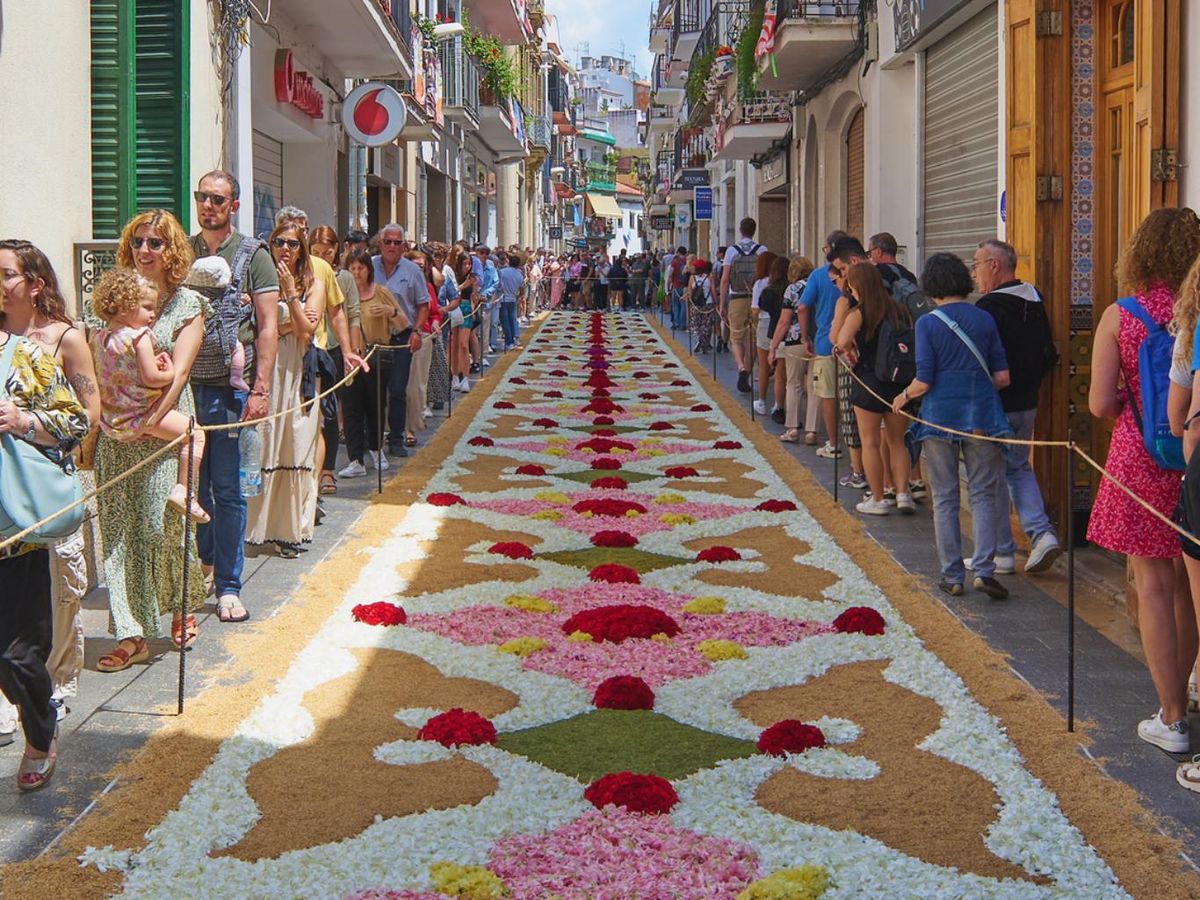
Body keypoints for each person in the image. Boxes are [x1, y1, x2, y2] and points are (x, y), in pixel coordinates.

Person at [1089, 207, 1200, 754]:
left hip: (1140, 455)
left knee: (1152, 587)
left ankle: (1172, 717)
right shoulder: (1195, 310)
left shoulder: (1122, 314)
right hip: (1193, 456)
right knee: (1188, 588)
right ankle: (1189, 686)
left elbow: (1098, 402)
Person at [0, 240, 96, 735]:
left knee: (55, 603)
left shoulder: (52, 344)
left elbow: (84, 417)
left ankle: (49, 694)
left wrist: (24, 422)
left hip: (37, 494)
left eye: (6, 274)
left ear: (34, 285)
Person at [891, 253, 1010, 599]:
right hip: (982, 418)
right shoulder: (984, 318)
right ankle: (984, 569)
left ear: (931, 286)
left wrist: (903, 396)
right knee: (983, 493)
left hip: (940, 417)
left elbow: (924, 380)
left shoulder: (927, 323)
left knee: (944, 497)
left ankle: (952, 575)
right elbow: (1002, 377)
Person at [0, 318, 87, 791]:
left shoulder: (26, 356)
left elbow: (77, 422)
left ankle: (40, 733)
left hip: (14, 527)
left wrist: (22, 421)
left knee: (16, 655)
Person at [190, 171, 279, 625]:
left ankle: (228, 585)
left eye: (218, 199)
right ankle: (204, 562)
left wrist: (261, 388)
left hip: (229, 389)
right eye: (203, 197)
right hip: (183, 388)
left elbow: (267, 325)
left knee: (226, 490)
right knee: (192, 488)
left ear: (234, 206)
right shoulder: (180, 251)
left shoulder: (253, 255)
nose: (208, 205)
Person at [90, 267, 209, 523]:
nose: (153, 314)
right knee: (195, 434)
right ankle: (184, 491)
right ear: (125, 307)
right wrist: (170, 372)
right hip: (141, 417)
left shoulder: (100, 338)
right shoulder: (139, 336)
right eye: (147, 307)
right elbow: (152, 377)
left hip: (113, 423)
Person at [971, 239, 1061, 573]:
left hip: (996, 404)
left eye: (977, 263)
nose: (974, 272)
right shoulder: (1034, 299)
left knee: (991, 476)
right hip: (1028, 402)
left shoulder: (988, 308)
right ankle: (1041, 534)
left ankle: (1001, 553)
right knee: (1018, 468)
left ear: (995, 265)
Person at [245, 222, 324, 558]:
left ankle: (290, 529)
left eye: (293, 244)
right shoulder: (258, 277)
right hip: (266, 370)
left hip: (297, 372)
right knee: (263, 445)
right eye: (279, 242)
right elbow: (254, 325)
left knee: (295, 444)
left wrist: (291, 293)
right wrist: (288, 322)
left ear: (302, 248)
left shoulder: (314, 283)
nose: (285, 249)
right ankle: (256, 527)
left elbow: (307, 331)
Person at [836, 262, 914, 516]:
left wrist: (848, 350)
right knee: (897, 441)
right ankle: (903, 494)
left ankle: (878, 497)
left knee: (870, 442)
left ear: (856, 286)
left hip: (868, 382)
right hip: (898, 383)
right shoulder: (899, 309)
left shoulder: (859, 312)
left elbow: (842, 340)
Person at [339, 250, 405, 478]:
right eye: (353, 268)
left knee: (375, 407)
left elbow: (403, 322)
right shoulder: (340, 293)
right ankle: (355, 459)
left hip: (376, 358)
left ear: (369, 270)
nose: (357, 273)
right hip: (349, 358)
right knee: (351, 409)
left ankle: (377, 450)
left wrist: (390, 311)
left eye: (361, 268)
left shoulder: (381, 293)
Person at [310, 225, 364, 496]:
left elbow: (349, 314)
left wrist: (349, 351)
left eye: (327, 253)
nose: (322, 258)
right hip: (309, 350)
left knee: (329, 413)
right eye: (316, 252)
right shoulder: (305, 272)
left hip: (331, 350)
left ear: (336, 251)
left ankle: (327, 470)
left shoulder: (342, 277)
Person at [374, 225, 429, 458]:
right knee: (374, 391)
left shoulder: (412, 270)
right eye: (388, 242)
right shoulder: (370, 265)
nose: (392, 247)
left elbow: (423, 304)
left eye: (398, 243)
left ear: (404, 246)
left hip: (401, 338)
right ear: (380, 243)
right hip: (374, 338)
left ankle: (396, 438)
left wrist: (416, 331)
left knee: (397, 390)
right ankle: (373, 440)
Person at [798, 230, 849, 459]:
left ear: (830, 250)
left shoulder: (818, 276)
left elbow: (803, 306)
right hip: (851, 344)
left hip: (825, 343)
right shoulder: (856, 274)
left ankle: (834, 442)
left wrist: (804, 336)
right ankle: (854, 444)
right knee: (849, 396)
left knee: (828, 395)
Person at [769, 255, 816, 444]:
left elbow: (784, 321)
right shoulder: (818, 285)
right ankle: (812, 431)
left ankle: (792, 427)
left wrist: (773, 346)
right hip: (817, 340)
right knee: (814, 388)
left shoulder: (793, 289)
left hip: (795, 340)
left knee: (794, 384)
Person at [720, 220, 767, 390]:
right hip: (757, 299)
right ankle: (748, 370)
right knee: (754, 338)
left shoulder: (732, 251)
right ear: (755, 230)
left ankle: (740, 366)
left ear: (740, 231)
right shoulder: (762, 250)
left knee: (736, 337)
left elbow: (725, 279)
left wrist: (722, 303)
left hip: (737, 297)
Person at [751, 251, 780, 416]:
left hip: (765, 323)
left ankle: (762, 401)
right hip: (782, 323)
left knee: (763, 365)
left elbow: (755, 310)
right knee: (780, 366)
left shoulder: (760, 284)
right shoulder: (783, 283)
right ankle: (779, 404)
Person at [451, 251, 476, 392]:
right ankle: (455, 375)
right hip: (455, 308)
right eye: (465, 264)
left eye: (469, 264)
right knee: (454, 344)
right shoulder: (455, 276)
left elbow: (474, 294)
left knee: (463, 344)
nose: (467, 266)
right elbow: (452, 292)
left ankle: (465, 377)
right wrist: (462, 285)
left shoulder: (472, 278)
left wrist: (475, 302)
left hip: (466, 309)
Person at [687, 259, 717, 352]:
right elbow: (713, 290)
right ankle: (704, 343)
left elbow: (690, 292)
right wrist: (716, 302)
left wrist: (690, 302)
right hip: (708, 303)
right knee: (706, 324)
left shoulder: (692, 278)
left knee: (696, 323)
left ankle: (699, 340)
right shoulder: (709, 277)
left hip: (696, 305)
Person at [498, 253, 525, 349]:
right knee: (513, 319)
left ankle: (509, 341)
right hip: (513, 298)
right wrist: (518, 296)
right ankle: (515, 337)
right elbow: (522, 289)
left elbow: (498, 285)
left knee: (505, 321)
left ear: (509, 262)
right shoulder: (519, 274)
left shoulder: (502, 272)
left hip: (503, 298)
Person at [668, 246, 689, 330]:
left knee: (676, 304)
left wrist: (669, 283)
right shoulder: (688, 261)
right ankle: (682, 324)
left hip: (676, 285)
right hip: (686, 286)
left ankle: (676, 323)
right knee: (683, 305)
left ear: (679, 252)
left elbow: (670, 274)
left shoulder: (675, 262)